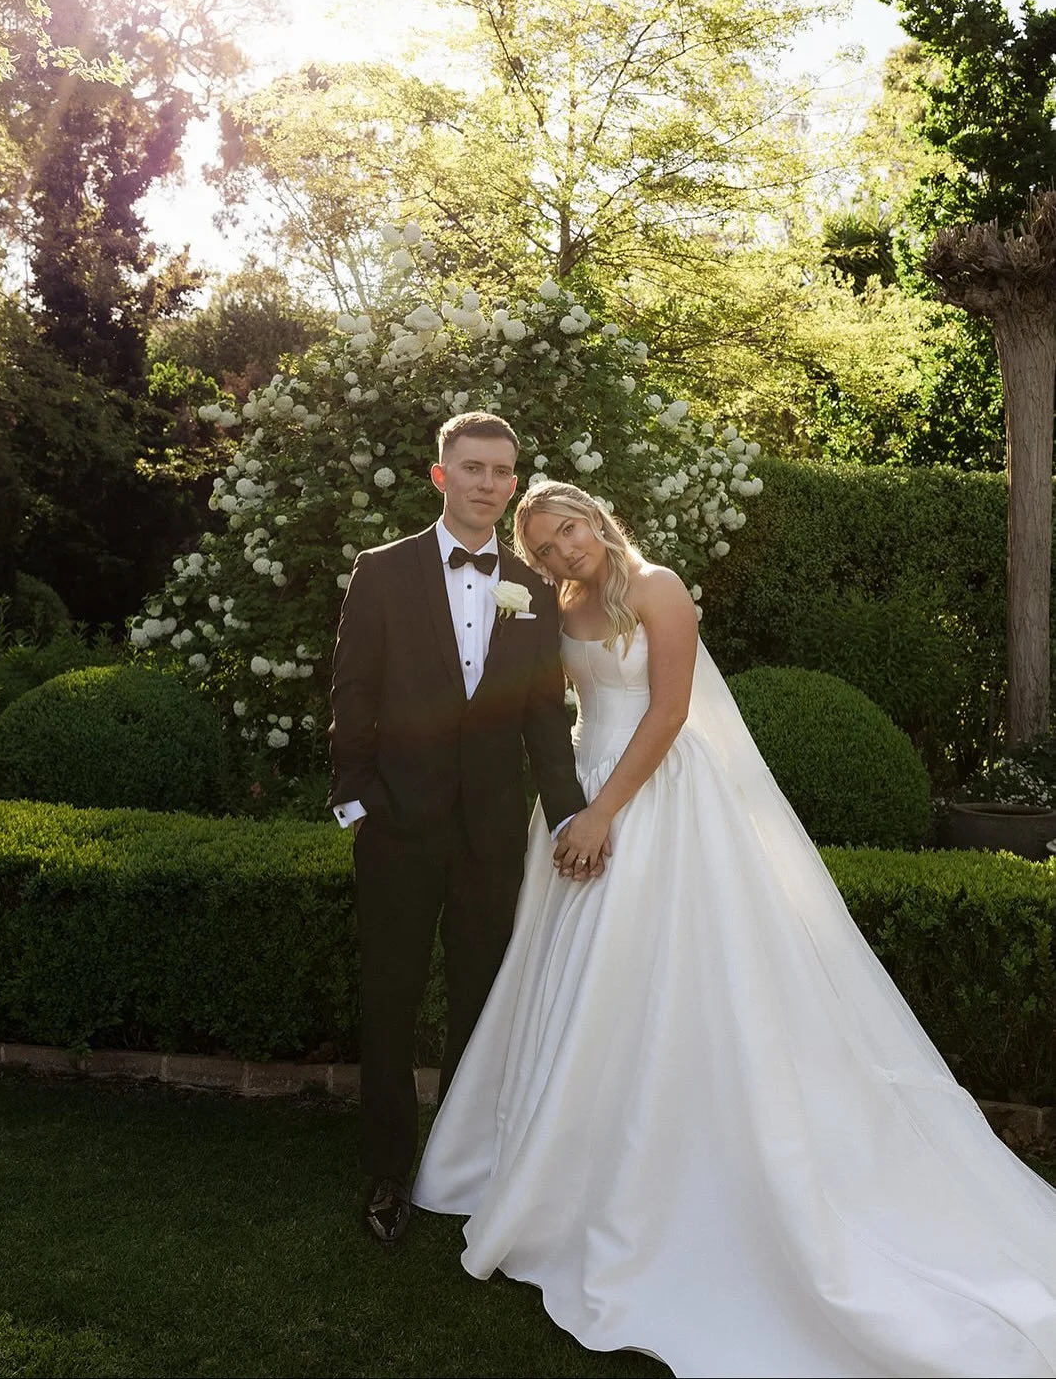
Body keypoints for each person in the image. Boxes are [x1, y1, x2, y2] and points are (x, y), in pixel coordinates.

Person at [413, 479, 1056, 1378]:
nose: (562, 553)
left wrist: (603, 814)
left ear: (595, 521)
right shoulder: (556, 606)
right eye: (545, 546)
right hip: (575, 804)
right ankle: (572, 1170)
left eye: (568, 533)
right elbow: (537, 707)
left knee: (671, 979)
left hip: (657, 801)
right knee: (577, 989)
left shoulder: (657, 589)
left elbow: (670, 713)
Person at [327, 415, 593, 1248]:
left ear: (513, 485)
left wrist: (570, 818)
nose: (486, 482)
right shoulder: (381, 572)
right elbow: (352, 691)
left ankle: (466, 1167)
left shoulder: (535, 589)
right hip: (397, 828)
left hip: (489, 835)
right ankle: (386, 1173)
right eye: (471, 468)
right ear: (441, 476)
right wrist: (355, 800)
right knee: (392, 1003)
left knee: (483, 1001)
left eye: (501, 471)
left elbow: (546, 722)